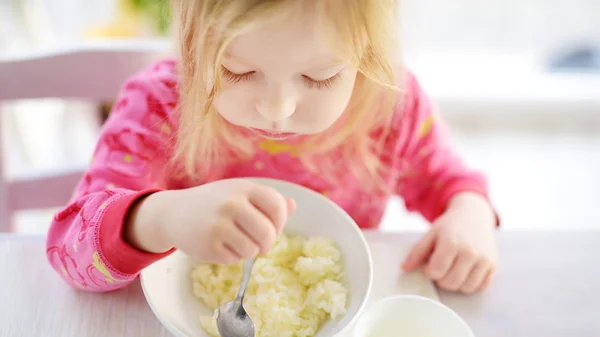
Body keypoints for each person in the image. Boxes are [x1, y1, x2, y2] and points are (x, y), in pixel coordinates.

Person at [46, 0, 499, 295]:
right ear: (190, 48)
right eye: (237, 71)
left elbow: (450, 180)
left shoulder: (388, 105)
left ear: (367, 53)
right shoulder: (159, 107)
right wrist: (163, 217)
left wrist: (470, 213)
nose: (277, 108)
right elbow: (67, 250)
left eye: (320, 77)